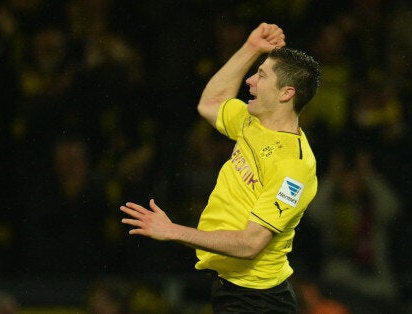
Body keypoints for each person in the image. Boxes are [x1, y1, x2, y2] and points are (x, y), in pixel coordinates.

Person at [120, 22, 321, 313]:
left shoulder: (294, 168)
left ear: (286, 93)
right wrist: (250, 49)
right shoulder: (253, 122)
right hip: (231, 288)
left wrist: (172, 230)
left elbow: (251, 244)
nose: (249, 80)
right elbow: (210, 103)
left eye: (261, 75)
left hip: (259, 301)